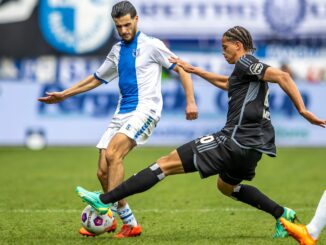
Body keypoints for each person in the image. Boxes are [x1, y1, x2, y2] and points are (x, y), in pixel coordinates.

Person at [76, 26, 326, 238]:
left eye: (225, 48)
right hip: (253, 148)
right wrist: (194, 70)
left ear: (238, 46)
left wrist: (303, 110)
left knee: (164, 164)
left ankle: (105, 200)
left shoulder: (247, 61)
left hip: (233, 141)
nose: (222, 52)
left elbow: (281, 75)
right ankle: (282, 214)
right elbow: (227, 83)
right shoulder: (243, 70)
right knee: (227, 187)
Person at [38, 1, 198, 238]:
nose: (123, 30)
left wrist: (191, 101)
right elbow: (95, 78)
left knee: (114, 154)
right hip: (122, 112)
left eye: (126, 24)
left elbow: (182, 69)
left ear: (136, 20)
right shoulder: (116, 50)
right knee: (103, 172)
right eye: (118, 26)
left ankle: (104, 208)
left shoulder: (152, 45)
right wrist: (64, 94)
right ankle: (129, 223)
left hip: (146, 110)